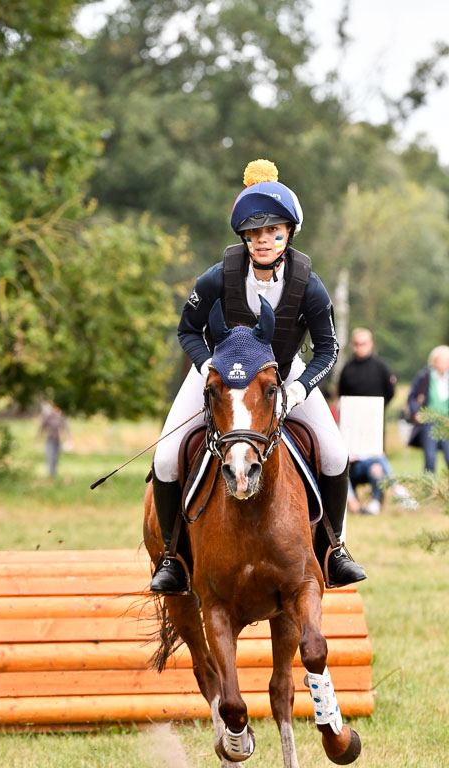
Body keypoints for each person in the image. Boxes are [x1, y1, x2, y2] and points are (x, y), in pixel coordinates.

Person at [149, 158, 366, 594]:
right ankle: (172, 558)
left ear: (289, 233)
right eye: (255, 232)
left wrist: (297, 390)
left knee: (336, 453)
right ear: (244, 237)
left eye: (273, 231)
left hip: (284, 373)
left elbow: (328, 349)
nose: (263, 239)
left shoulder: (309, 285)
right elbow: (188, 330)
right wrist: (206, 367)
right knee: (166, 457)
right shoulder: (216, 278)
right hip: (218, 373)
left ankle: (335, 549)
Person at [407, 345, 449, 472]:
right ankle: (428, 484)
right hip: (429, 422)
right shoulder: (425, 376)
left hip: (447, 422)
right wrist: (416, 413)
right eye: (443, 360)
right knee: (430, 459)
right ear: (434, 361)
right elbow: (412, 397)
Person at [338, 328, 396, 405]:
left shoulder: (381, 366)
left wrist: (381, 406)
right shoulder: (347, 368)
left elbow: (390, 391)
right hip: (352, 409)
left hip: (375, 409)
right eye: (357, 344)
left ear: (371, 343)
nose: (360, 347)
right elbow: (341, 393)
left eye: (363, 344)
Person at [347, 455, 417, 515]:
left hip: (366, 465)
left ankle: (375, 502)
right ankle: (396, 488)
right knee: (379, 459)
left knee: (376, 467)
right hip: (351, 468)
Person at [37, 402, 71, 477]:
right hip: (49, 440)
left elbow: (66, 428)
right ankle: (50, 473)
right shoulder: (48, 417)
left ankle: (53, 473)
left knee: (55, 457)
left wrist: (68, 440)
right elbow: (42, 428)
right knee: (50, 456)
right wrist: (38, 438)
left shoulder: (61, 417)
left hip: (57, 440)